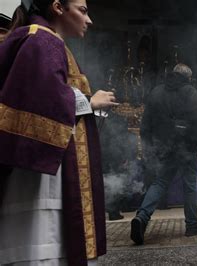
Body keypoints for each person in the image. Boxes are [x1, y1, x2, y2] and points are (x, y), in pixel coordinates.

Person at [0, 0, 118, 264]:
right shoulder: (44, 40)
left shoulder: (39, 38)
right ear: (58, 7)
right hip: (43, 174)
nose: (89, 20)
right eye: (83, 10)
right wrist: (90, 102)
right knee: (45, 246)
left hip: (41, 165)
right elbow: (41, 100)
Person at [130, 63, 197, 245]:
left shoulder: (156, 92)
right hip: (185, 146)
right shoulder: (189, 91)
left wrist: (148, 148)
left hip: (164, 147)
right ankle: (191, 225)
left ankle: (142, 217)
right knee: (190, 184)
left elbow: (146, 123)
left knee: (160, 182)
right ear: (187, 77)